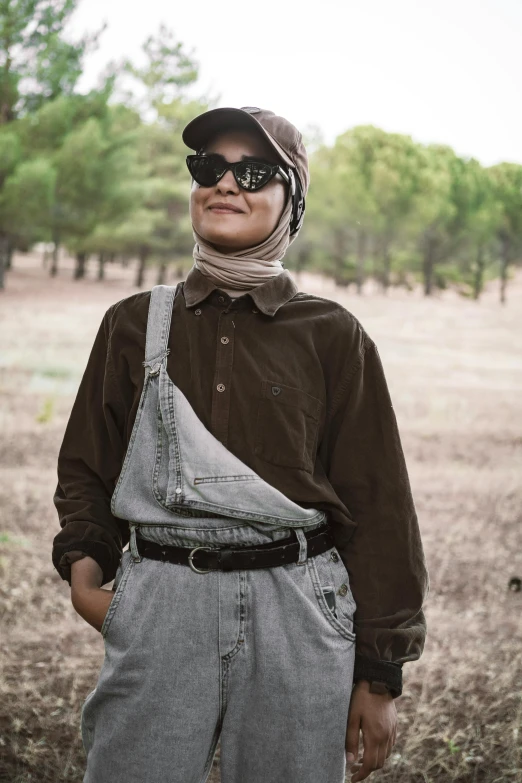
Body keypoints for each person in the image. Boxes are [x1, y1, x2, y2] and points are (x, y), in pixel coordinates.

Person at [51, 106, 429, 783]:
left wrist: (380, 672)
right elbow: (86, 466)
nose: (225, 183)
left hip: (299, 611)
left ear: (292, 203)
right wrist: (86, 573)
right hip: (161, 604)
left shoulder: (332, 333)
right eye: (209, 168)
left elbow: (379, 508)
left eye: (253, 172)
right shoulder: (133, 323)